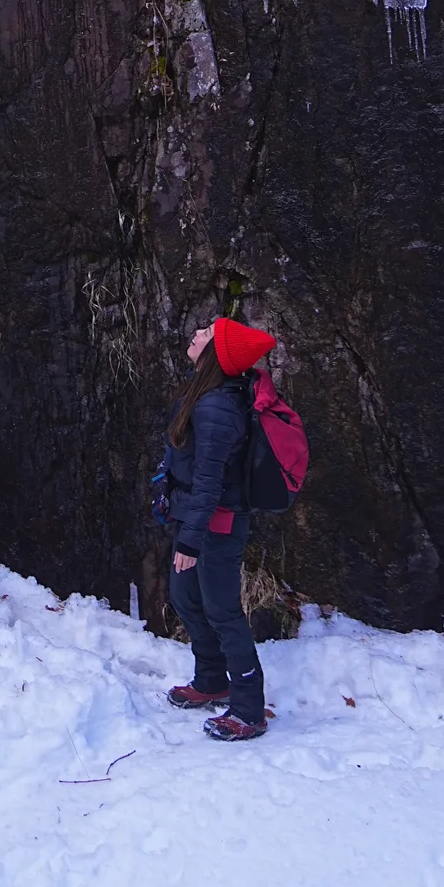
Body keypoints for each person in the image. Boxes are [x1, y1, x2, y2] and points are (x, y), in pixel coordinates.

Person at [160, 316, 277, 741]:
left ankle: (248, 710)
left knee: (223, 611)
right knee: (185, 596)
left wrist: (191, 539)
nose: (194, 333)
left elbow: (210, 479)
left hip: (217, 527)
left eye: (205, 334)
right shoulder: (207, 396)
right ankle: (212, 680)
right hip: (197, 519)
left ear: (215, 354)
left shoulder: (217, 407)